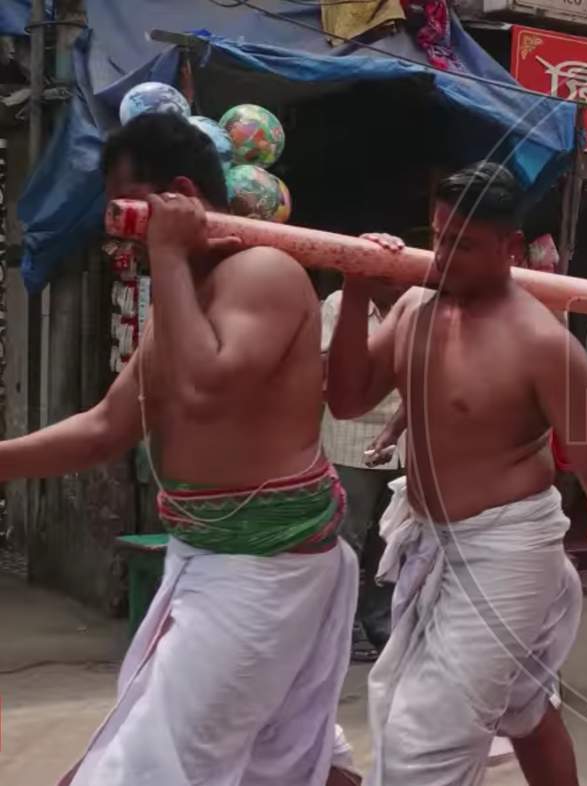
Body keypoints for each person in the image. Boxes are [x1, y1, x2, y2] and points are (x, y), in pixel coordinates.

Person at [0, 113, 358, 784]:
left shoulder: (265, 271)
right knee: (269, 758)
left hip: (263, 570)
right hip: (214, 559)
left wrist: (164, 255)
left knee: (148, 770)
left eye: (123, 211)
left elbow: (208, 391)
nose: (114, 233)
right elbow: (107, 426)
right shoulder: (183, 299)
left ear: (180, 194)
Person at [327, 162, 587, 785]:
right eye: (437, 236)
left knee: (422, 740)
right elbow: (348, 400)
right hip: (430, 539)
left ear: (509, 248)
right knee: (521, 706)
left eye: (461, 244)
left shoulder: (550, 350)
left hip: (509, 552)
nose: (442, 255)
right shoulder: (413, 306)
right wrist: (358, 290)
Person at [321, 284, 406, 662]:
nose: (400, 285)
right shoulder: (340, 304)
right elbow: (327, 366)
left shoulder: (415, 304)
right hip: (350, 438)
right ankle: (345, 623)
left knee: (390, 541)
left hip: (402, 440)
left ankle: (379, 619)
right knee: (346, 538)